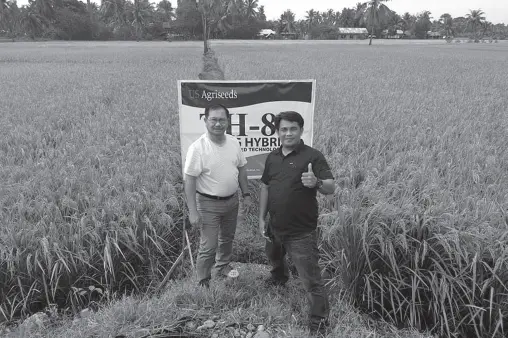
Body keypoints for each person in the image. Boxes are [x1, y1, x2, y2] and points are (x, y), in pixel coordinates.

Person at [258, 111, 335, 335]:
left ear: (301, 130)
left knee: (311, 280)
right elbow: (265, 187)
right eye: (283, 129)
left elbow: (330, 187)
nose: (288, 133)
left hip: (301, 232)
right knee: (274, 256)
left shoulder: (313, 156)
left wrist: (316, 182)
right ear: (277, 132)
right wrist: (262, 218)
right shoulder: (272, 157)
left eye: (293, 128)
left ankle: (319, 322)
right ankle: (279, 277)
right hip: (275, 225)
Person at [184, 103, 252, 288]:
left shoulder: (234, 142)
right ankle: (203, 281)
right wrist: (193, 211)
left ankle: (222, 266)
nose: (218, 124)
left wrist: (246, 194)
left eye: (222, 120)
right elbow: (189, 180)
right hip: (208, 204)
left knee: (227, 238)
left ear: (228, 122)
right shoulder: (197, 148)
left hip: (232, 200)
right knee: (208, 246)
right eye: (213, 119)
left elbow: (242, 168)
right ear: (205, 121)